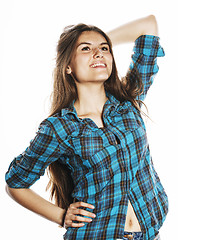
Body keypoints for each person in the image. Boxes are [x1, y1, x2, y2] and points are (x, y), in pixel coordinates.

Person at [5, 15, 168, 240]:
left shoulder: (128, 102)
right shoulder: (60, 128)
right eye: (85, 49)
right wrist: (61, 216)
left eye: (104, 49)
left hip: (151, 234)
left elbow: (149, 25)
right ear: (68, 66)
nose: (98, 53)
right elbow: (15, 183)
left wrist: (97, 45)